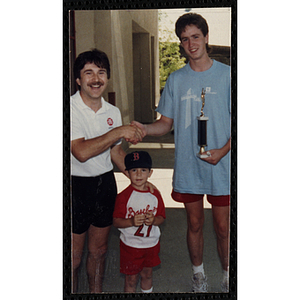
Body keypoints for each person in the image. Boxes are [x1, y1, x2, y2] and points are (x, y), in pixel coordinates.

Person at [132, 13, 231, 293]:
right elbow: (165, 124)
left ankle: (227, 275)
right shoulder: (176, 80)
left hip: (221, 165)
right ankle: (198, 275)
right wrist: (143, 129)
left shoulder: (228, 76)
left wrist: (223, 151)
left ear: (206, 37)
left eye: (195, 36)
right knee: (195, 223)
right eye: (184, 39)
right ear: (181, 43)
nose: (191, 43)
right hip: (189, 165)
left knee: (223, 227)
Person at [70, 49, 145, 293]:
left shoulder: (112, 112)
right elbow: (80, 151)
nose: (96, 79)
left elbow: (114, 153)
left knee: (99, 252)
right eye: (88, 73)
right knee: (74, 258)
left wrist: (138, 179)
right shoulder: (68, 108)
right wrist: (118, 132)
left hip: (104, 184)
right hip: (74, 186)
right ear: (79, 79)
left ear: (107, 77)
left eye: (101, 73)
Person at [113, 151, 166, 293]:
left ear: (150, 172)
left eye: (143, 170)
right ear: (127, 173)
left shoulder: (155, 194)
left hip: (151, 244)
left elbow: (161, 217)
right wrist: (130, 221)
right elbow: (116, 222)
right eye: (134, 170)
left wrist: (154, 220)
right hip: (130, 245)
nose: (138, 174)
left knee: (147, 274)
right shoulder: (123, 197)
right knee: (131, 279)